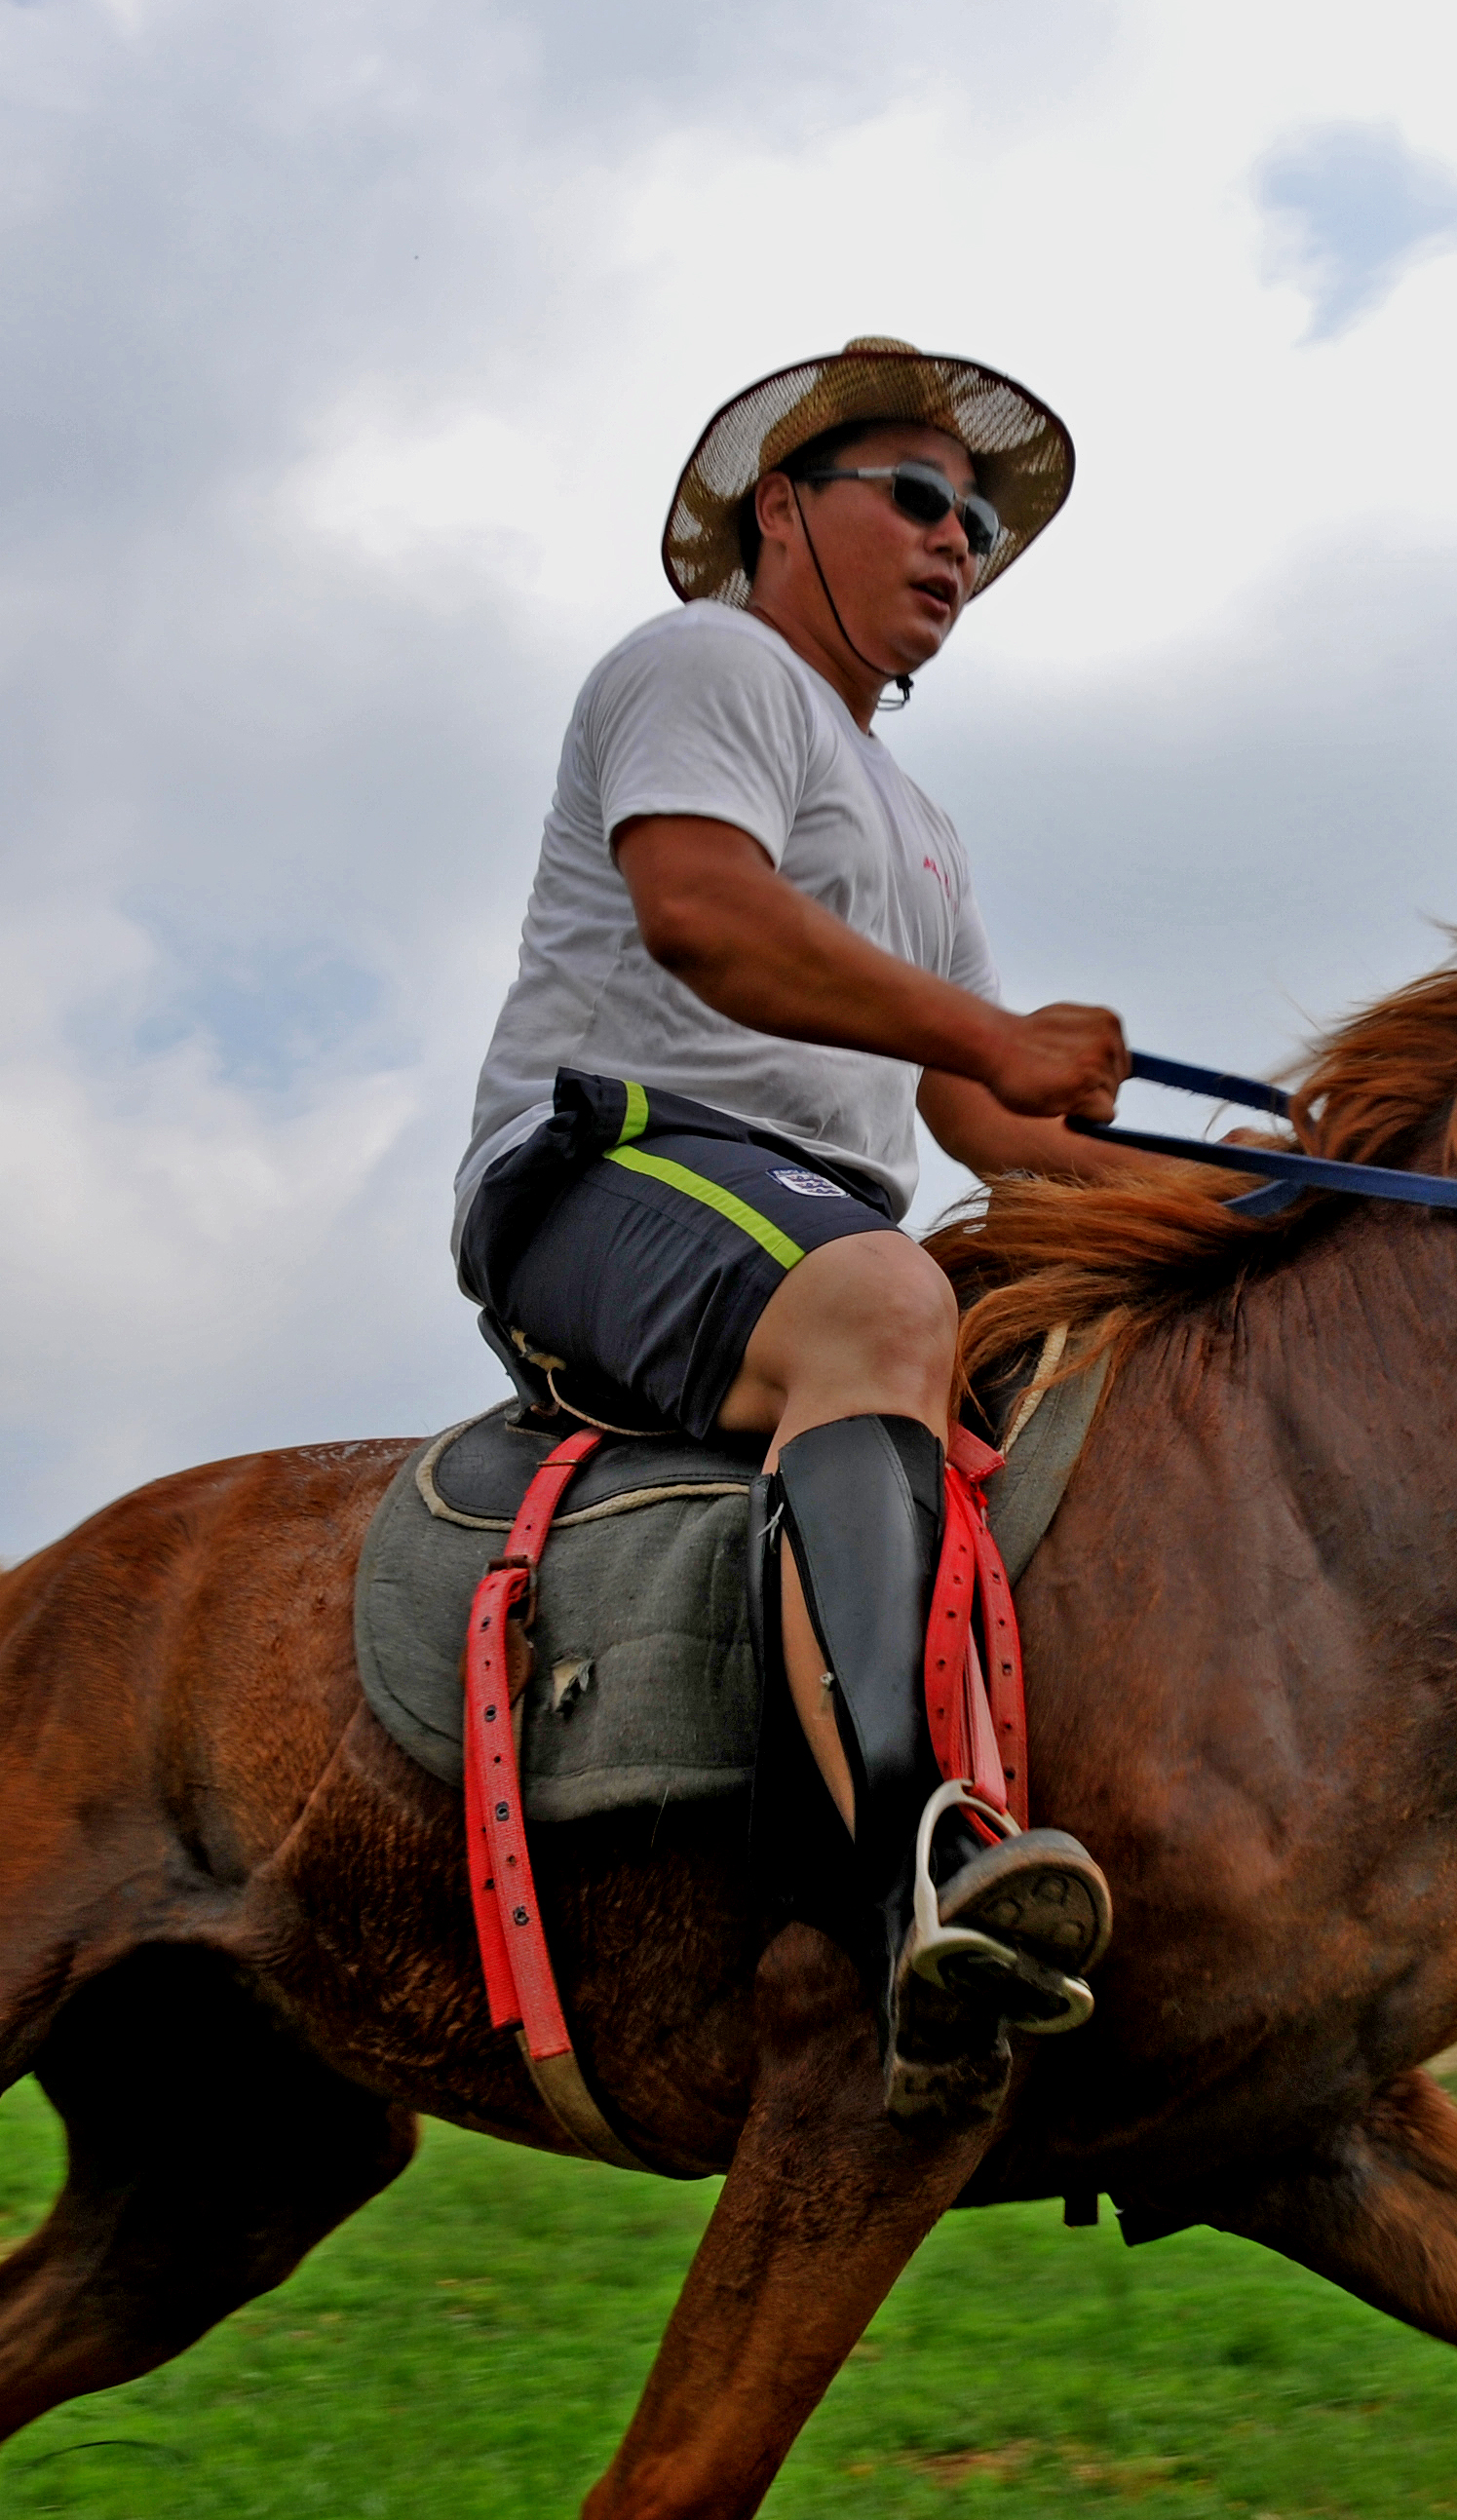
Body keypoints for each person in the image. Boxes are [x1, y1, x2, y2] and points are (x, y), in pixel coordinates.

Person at [454, 336, 1138, 2119]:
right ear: (783, 509)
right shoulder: (708, 664)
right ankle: (911, 1860)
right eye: (917, 499)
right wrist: (990, 1037)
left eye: (977, 528)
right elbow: (701, 913)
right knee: (888, 1303)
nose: (955, 548)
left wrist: (1241, 1195)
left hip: (814, 1221)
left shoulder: (923, 826)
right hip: (609, 1172)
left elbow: (983, 1124)